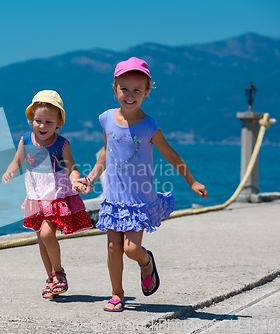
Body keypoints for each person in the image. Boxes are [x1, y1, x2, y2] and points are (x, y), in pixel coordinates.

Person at [77, 57, 208, 311]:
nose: (130, 95)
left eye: (137, 90)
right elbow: (105, 153)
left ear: (147, 92)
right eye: (124, 88)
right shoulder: (106, 119)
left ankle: (146, 261)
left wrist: (191, 181)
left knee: (131, 249)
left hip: (138, 201)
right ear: (114, 88)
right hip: (113, 200)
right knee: (114, 248)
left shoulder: (149, 126)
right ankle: (117, 294)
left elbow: (171, 154)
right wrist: (90, 179)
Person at [2, 90, 92, 299]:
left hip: (55, 196)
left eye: (49, 122)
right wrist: (10, 171)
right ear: (30, 119)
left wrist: (76, 181)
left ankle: (59, 273)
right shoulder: (25, 141)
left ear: (58, 122)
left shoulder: (62, 144)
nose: (42, 126)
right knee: (41, 241)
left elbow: (72, 168)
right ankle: (51, 280)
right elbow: (17, 161)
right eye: (38, 121)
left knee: (46, 234)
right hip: (35, 198)